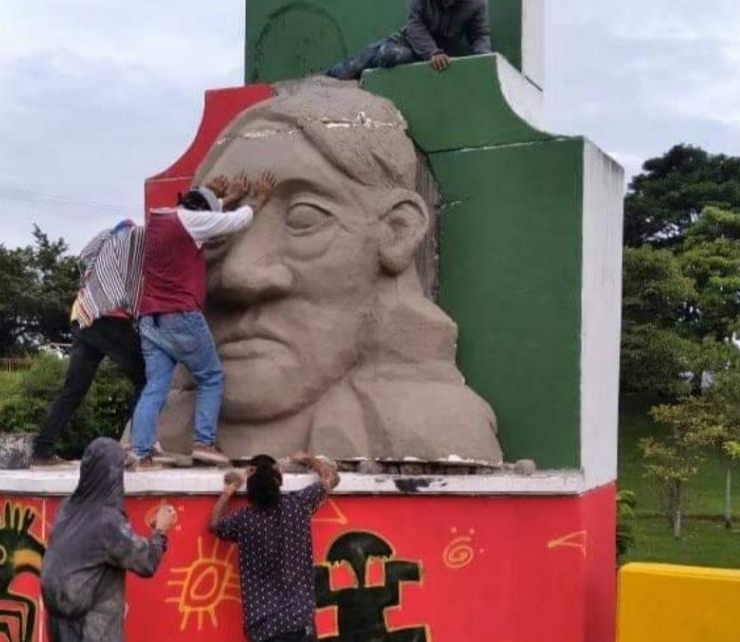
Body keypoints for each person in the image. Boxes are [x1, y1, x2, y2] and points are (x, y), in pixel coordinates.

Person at [153, 82, 502, 465]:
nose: (239, 275)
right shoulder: (159, 428)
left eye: (305, 219)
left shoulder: (433, 431)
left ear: (398, 231)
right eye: (216, 233)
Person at [129, 172, 277, 470]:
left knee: (155, 385)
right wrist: (256, 202)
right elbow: (234, 222)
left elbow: (201, 218)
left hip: (150, 319)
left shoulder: (161, 218)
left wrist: (226, 199)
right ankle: (203, 443)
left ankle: (139, 452)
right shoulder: (192, 223)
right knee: (210, 377)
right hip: (180, 316)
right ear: (202, 212)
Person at [32, 219, 163, 467]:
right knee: (149, 376)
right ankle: (141, 442)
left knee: (74, 390)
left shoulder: (102, 243)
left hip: (83, 318)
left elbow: (81, 259)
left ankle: (42, 449)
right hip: (108, 319)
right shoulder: (132, 245)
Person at [41, 437, 177, 642]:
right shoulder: (107, 521)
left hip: (59, 622)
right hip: (91, 626)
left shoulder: (67, 507)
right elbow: (146, 562)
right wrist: (160, 531)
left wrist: (113, 453)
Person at [210, 454, 340, 642]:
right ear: (278, 478)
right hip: (300, 624)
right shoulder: (298, 504)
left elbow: (215, 525)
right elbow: (331, 478)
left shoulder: (244, 520)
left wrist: (229, 490)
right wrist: (308, 459)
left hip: (264, 630)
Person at [327, 0, 491, 80]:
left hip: (439, 55)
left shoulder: (477, 3)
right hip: (408, 43)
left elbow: (480, 34)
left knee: (394, 56)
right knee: (386, 55)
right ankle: (330, 76)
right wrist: (432, 52)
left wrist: (484, 61)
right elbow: (415, 25)